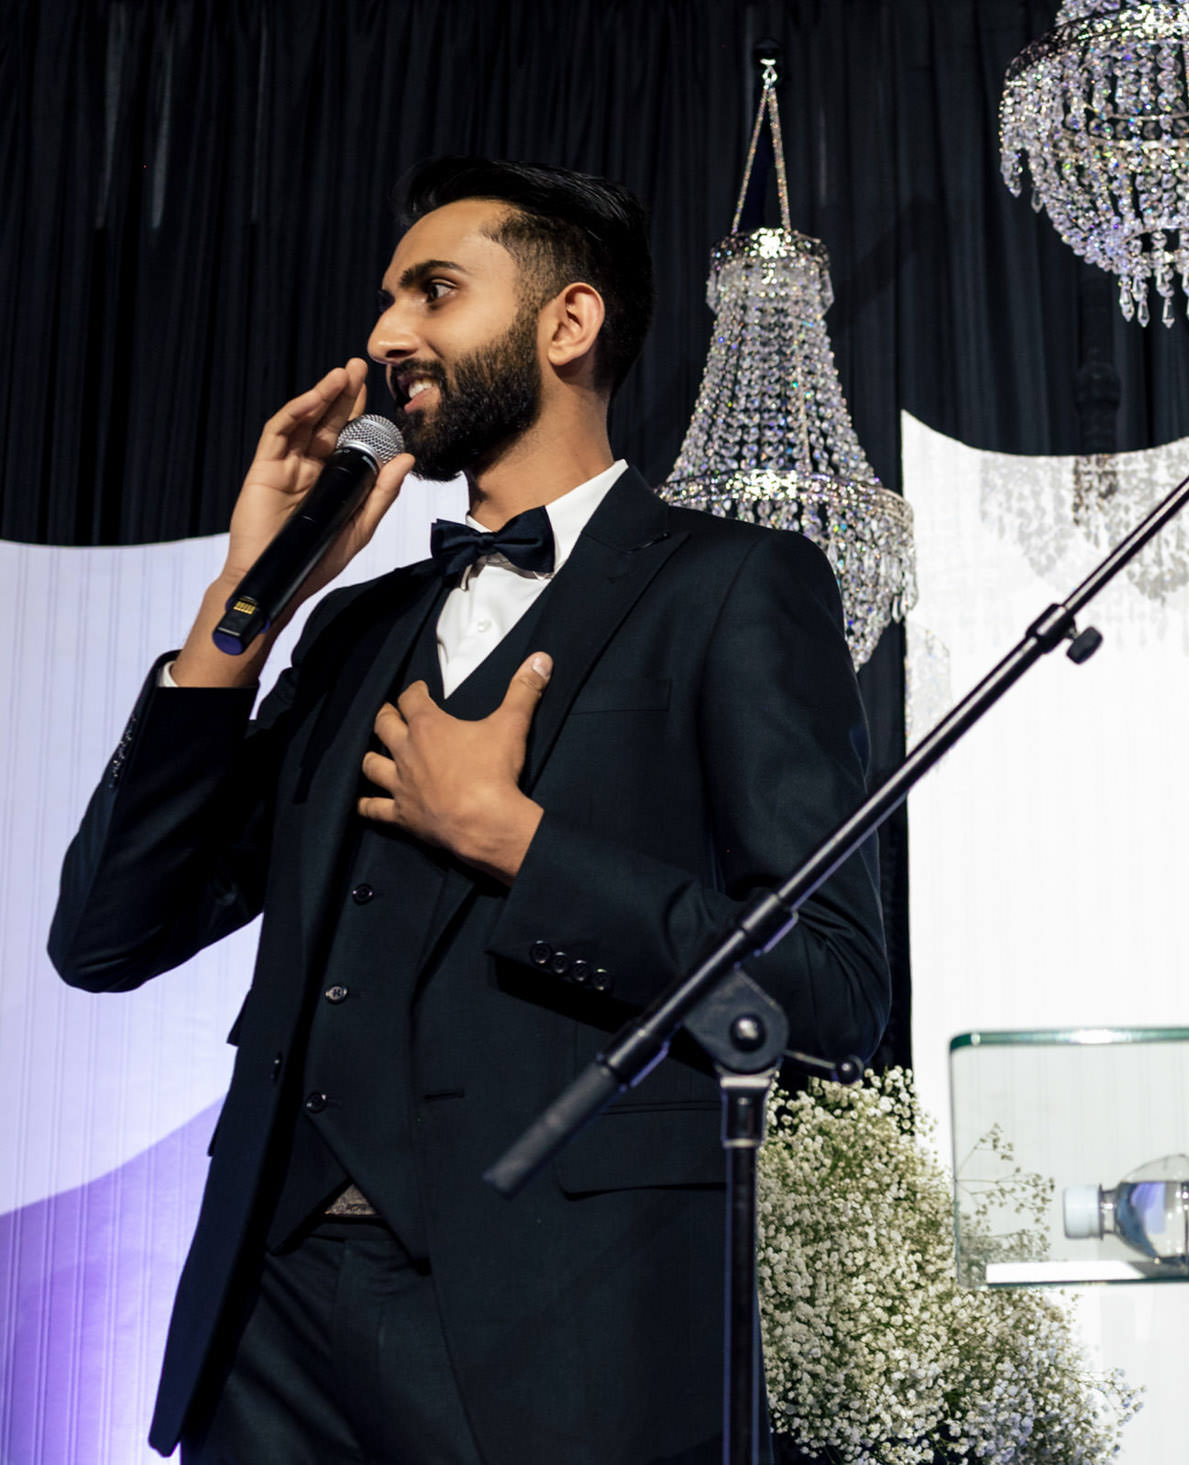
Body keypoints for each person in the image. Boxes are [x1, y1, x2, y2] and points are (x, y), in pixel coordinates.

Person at [47, 157, 889, 1465]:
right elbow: (105, 936)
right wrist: (240, 608)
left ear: (568, 323)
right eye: (388, 301)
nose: (388, 337)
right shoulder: (352, 631)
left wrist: (522, 845)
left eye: (435, 292)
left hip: (563, 1339)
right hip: (268, 1330)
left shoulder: (735, 588)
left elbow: (832, 991)